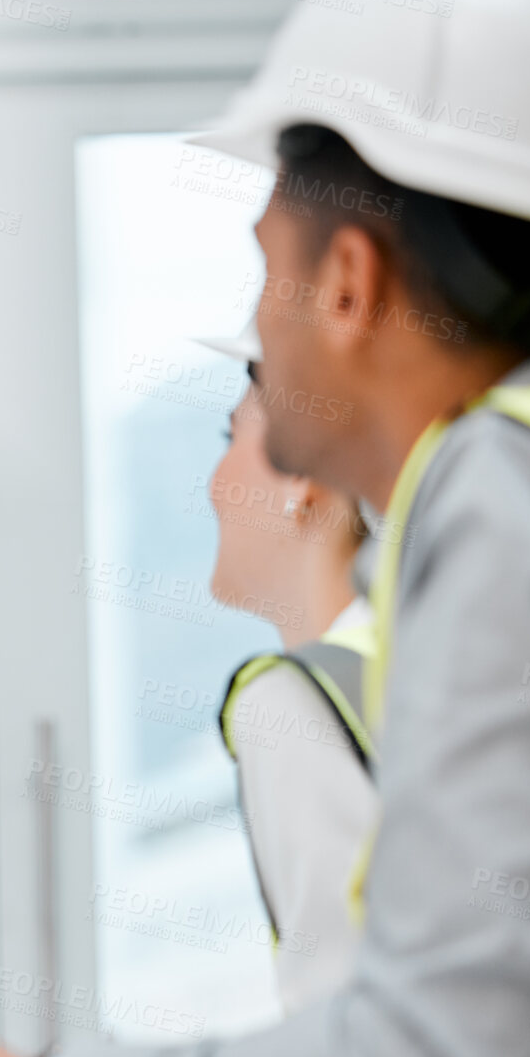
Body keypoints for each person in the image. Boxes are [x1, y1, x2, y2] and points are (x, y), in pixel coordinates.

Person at [0, 0, 530, 1057]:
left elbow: (459, 1054)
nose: (256, 324)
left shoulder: (509, 488)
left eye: (264, 263)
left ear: (345, 284)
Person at [198, 316, 378, 1014]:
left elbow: (342, 1052)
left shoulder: (299, 707)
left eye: (227, 438)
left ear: (298, 474)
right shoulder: (434, 653)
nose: (213, 482)